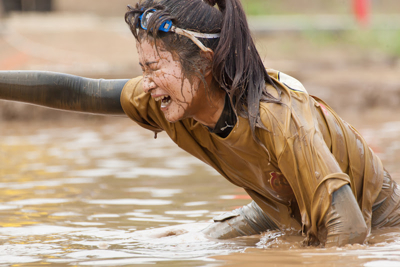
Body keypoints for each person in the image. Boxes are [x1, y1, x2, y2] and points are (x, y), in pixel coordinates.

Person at [0, 0, 399, 247]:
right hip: (281, 207)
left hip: (379, 221)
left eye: (155, 67)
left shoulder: (281, 121)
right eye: (143, 68)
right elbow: (80, 91)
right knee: (179, 241)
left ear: (205, 65)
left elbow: (350, 231)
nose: (147, 82)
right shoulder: (169, 96)